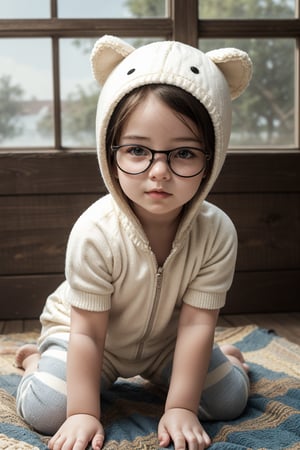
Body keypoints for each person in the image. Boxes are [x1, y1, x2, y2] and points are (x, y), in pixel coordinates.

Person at [15, 35, 252, 450]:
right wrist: (83, 414)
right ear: (111, 154)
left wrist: (179, 408)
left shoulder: (217, 232)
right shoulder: (94, 231)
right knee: (49, 411)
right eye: (138, 150)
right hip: (87, 336)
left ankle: (230, 360)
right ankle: (37, 358)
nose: (158, 171)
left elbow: (197, 324)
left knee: (229, 400)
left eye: (183, 154)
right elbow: (88, 335)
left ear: (212, 158)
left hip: (168, 342)